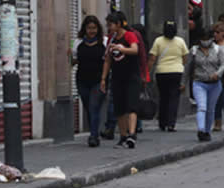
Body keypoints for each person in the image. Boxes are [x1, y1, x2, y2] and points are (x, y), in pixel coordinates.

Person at [99, 11, 145, 149]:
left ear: (118, 24)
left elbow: (135, 50)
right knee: (119, 108)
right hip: (117, 77)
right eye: (107, 25)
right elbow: (107, 60)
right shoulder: (110, 39)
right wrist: (103, 78)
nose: (109, 27)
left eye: (111, 24)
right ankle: (123, 136)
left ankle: (132, 135)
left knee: (131, 106)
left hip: (132, 76)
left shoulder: (129, 35)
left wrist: (122, 49)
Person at [147, 19, 188, 133]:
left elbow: (152, 58)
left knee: (163, 97)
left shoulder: (158, 41)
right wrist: (179, 65)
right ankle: (171, 123)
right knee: (174, 98)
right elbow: (185, 58)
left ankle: (162, 122)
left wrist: (147, 72)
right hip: (176, 72)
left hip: (161, 72)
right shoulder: (180, 41)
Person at [72, 15, 106, 147]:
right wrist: (70, 57)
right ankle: (94, 131)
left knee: (94, 106)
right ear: (84, 29)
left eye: (94, 28)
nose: (92, 31)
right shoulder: (78, 43)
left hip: (99, 80)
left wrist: (104, 78)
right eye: (89, 28)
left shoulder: (103, 41)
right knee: (88, 107)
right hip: (82, 80)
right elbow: (74, 61)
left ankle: (93, 136)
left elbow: (108, 60)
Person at [186, 24, 224, 141]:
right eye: (203, 39)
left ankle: (207, 131)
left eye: (207, 39)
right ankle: (201, 129)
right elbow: (188, 67)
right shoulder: (193, 51)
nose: (205, 41)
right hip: (199, 83)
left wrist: (217, 74)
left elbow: (223, 64)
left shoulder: (218, 49)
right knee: (202, 107)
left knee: (210, 109)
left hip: (215, 85)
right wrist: (183, 82)